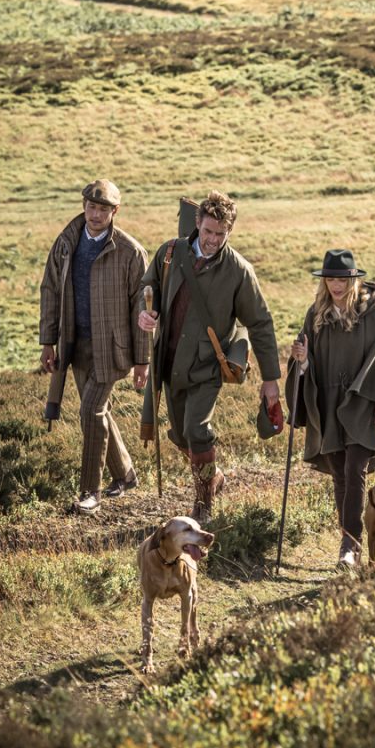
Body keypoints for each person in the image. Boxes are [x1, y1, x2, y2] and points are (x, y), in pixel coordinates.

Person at [138, 190, 281, 522]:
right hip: (168, 363)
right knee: (179, 434)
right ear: (198, 223)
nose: (214, 239)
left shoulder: (238, 271)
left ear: (229, 231)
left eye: (221, 233)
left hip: (207, 366)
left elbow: (260, 322)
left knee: (197, 429)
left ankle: (203, 505)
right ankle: (212, 477)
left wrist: (271, 379)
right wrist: (145, 313)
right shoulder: (169, 253)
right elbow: (148, 289)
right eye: (208, 231)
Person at [40, 180, 149, 514]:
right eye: (91, 207)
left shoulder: (130, 252)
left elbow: (142, 310)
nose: (96, 214)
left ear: (115, 212)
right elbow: (49, 290)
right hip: (75, 344)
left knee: (90, 411)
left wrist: (143, 360)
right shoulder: (65, 243)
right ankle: (126, 475)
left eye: (103, 209)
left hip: (113, 349)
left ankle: (91, 492)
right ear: (84, 205)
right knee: (100, 412)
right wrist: (48, 341)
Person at [286, 249, 375, 569]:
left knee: (354, 471)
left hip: (361, 401)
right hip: (328, 405)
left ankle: (349, 544)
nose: (336, 285)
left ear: (354, 279)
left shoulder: (373, 314)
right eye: (331, 279)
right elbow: (307, 362)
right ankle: (350, 540)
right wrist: (302, 360)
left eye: (342, 279)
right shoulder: (316, 313)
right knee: (339, 476)